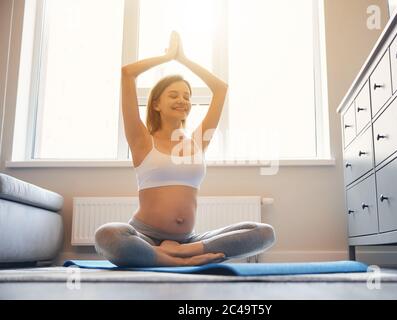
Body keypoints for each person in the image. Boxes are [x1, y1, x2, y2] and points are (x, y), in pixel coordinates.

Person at [94, 31, 276, 267]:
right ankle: (173, 259)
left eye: (187, 96)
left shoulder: (197, 141)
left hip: (189, 240)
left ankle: (181, 253)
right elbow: (127, 73)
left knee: (264, 233)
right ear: (156, 103)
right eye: (174, 95)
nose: (183, 100)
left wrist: (184, 59)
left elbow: (220, 89)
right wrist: (168, 57)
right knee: (107, 235)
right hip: (144, 237)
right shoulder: (142, 140)